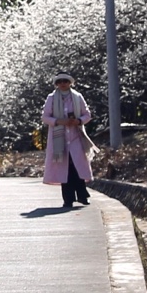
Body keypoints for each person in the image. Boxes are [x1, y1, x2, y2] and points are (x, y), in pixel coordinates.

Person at [42, 74, 94, 207]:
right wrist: (59, 121)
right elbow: (45, 117)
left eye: (65, 81)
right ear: (56, 84)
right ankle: (68, 199)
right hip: (59, 137)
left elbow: (87, 115)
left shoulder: (77, 97)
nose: (63, 83)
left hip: (76, 136)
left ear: (70, 83)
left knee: (77, 167)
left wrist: (78, 121)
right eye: (60, 82)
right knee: (64, 169)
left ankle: (83, 196)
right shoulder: (52, 98)